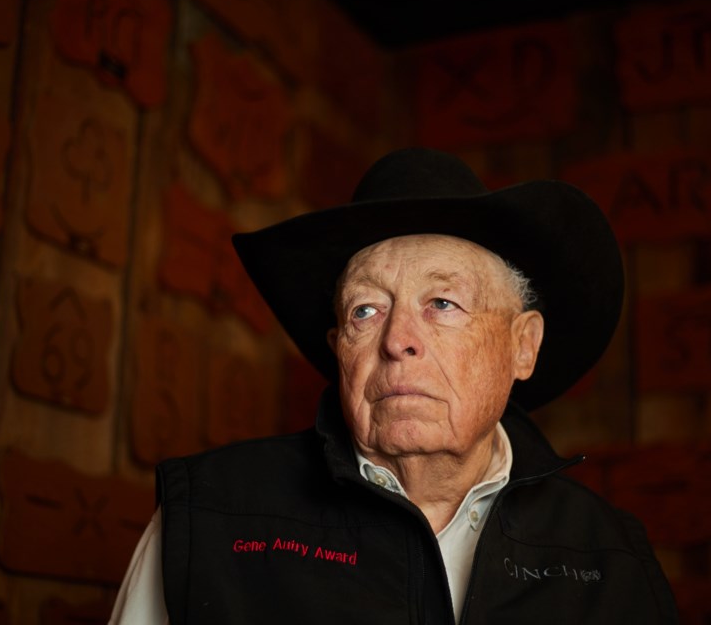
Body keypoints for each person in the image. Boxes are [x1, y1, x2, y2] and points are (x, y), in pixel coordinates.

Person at [110, 148, 678, 624]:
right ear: (340, 350)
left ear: (522, 346)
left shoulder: (610, 557)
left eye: (442, 303)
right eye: (366, 310)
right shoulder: (209, 517)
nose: (397, 339)